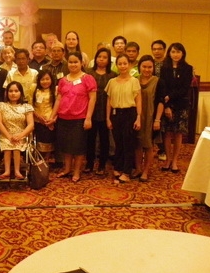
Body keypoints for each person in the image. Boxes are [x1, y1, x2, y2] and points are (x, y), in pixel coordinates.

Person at [51, 51, 97, 182]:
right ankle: (67, 169)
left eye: (76, 62)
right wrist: (52, 116)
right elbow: (59, 99)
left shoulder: (87, 78)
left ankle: (76, 171)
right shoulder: (63, 80)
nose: (73, 64)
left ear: (81, 63)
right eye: (70, 62)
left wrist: (88, 118)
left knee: (78, 147)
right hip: (64, 118)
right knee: (66, 146)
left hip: (79, 118)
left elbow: (92, 99)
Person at [105, 54, 142, 183]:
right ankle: (118, 167)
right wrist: (108, 119)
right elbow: (109, 101)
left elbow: (138, 100)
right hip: (115, 115)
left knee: (128, 143)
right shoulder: (112, 82)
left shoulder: (134, 81)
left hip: (130, 114)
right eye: (120, 64)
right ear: (116, 65)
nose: (122, 66)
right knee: (118, 143)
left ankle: (127, 172)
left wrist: (138, 117)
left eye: (125, 63)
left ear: (129, 65)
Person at [160, 43, 193, 174]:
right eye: (173, 52)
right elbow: (163, 86)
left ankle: (174, 161)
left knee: (178, 134)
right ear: (169, 53)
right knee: (167, 133)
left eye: (178, 52)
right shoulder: (164, 68)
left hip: (181, 105)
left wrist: (169, 96)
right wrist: (166, 105)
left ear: (183, 53)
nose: (176, 54)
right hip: (168, 105)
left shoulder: (188, 68)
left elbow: (184, 88)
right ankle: (168, 159)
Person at [85, 47, 117, 175]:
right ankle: (89, 163)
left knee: (105, 140)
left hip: (106, 111)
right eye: (99, 57)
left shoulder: (113, 75)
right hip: (90, 111)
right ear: (95, 58)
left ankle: (102, 165)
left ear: (109, 60)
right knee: (90, 139)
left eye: (105, 57)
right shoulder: (88, 73)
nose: (101, 59)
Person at [0, 81, 34, 180]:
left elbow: (31, 124)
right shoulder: (0, 106)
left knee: (16, 147)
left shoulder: (26, 107)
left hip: (21, 134)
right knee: (8, 145)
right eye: (10, 91)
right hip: (5, 134)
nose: (13, 93)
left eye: (16, 91)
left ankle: (17, 171)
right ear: (6, 93)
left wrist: (20, 135)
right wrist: (8, 136)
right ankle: (7, 171)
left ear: (21, 93)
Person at [134, 55, 165, 182]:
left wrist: (157, 120)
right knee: (137, 144)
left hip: (151, 117)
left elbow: (161, 102)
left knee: (148, 145)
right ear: (139, 67)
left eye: (150, 67)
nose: (147, 69)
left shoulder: (158, 81)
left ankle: (146, 171)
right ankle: (138, 168)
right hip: (137, 116)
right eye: (144, 67)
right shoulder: (134, 80)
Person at [32, 70, 57, 162]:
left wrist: (53, 119)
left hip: (51, 120)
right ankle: (39, 160)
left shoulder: (55, 90)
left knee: (49, 141)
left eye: (47, 79)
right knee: (39, 141)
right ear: (39, 80)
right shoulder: (34, 88)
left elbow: (58, 106)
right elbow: (30, 105)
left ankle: (47, 159)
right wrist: (38, 116)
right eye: (42, 79)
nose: (45, 81)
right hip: (37, 120)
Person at [151, 39, 167, 161]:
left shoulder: (168, 64)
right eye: (154, 49)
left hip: (165, 98)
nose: (157, 51)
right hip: (151, 97)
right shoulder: (150, 63)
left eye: (159, 49)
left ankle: (163, 150)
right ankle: (151, 149)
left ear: (164, 50)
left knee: (163, 126)